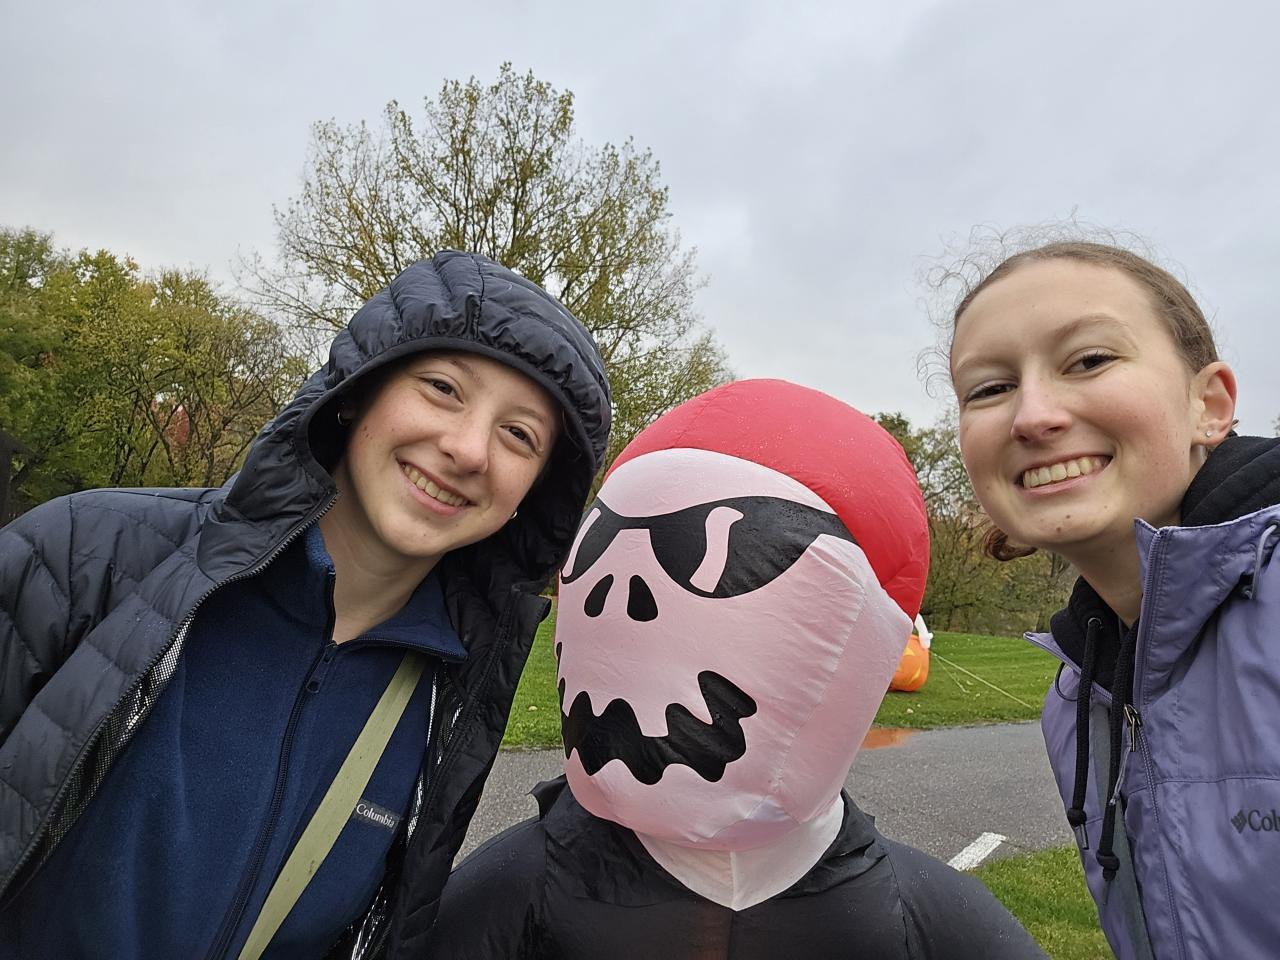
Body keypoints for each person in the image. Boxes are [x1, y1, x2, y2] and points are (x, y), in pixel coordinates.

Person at [0, 251, 611, 959]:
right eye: (443, 388)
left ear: (534, 494)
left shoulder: (452, 695)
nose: (469, 449)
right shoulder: (83, 553)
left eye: (518, 435)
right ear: (357, 392)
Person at [428, 379, 1047, 959]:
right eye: (600, 545)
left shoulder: (911, 914)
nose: (620, 598)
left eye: (711, 550)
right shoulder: (524, 885)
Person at [947, 239, 1280, 959]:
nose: (1032, 416)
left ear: (1209, 406)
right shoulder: (1075, 700)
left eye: (1090, 360)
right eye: (989, 388)